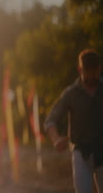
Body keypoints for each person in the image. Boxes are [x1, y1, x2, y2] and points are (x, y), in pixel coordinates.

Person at [45, 49, 103, 193]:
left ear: (99, 68)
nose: (91, 75)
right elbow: (51, 120)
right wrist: (56, 139)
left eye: (94, 72)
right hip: (81, 153)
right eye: (87, 71)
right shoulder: (71, 93)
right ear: (79, 69)